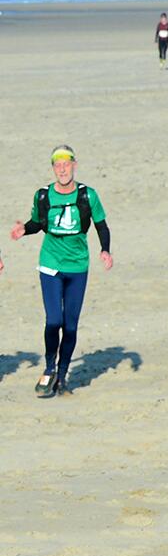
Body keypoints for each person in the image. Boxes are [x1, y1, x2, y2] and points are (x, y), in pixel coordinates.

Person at [9, 146, 113, 396]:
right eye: (58, 165)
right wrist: (24, 230)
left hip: (77, 266)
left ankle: (63, 376)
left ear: (74, 165)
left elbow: (101, 225)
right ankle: (49, 368)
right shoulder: (43, 196)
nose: (63, 169)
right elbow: (37, 223)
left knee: (71, 326)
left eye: (66, 164)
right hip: (50, 263)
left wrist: (105, 250)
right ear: (53, 168)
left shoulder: (88, 195)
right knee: (54, 320)